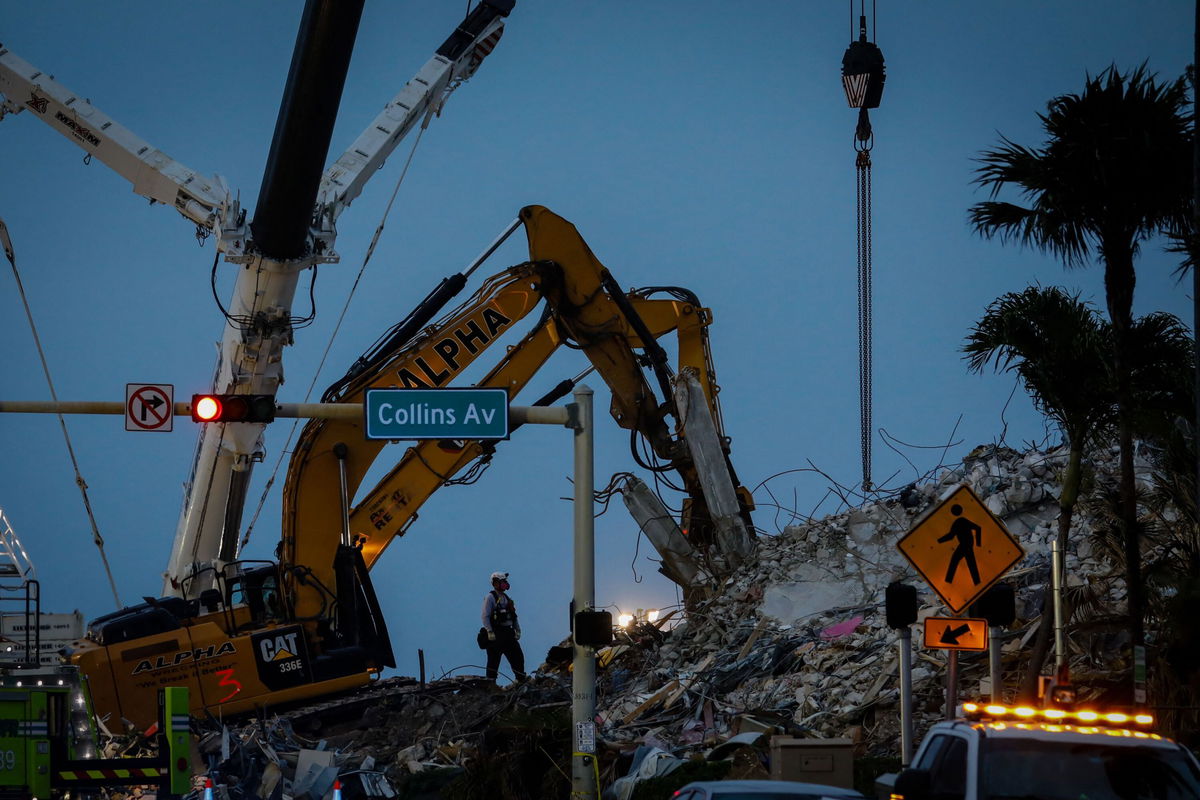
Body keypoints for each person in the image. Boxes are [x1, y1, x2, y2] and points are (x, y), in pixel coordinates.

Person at [481, 570, 526, 684]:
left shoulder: (507, 598)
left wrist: (517, 629)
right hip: (496, 634)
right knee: (493, 660)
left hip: (508, 633)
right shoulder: (490, 597)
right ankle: (491, 684)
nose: (505, 584)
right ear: (495, 583)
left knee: (517, 656)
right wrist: (489, 631)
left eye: (505, 581)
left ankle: (520, 679)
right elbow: (485, 616)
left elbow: (513, 616)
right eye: (502, 581)